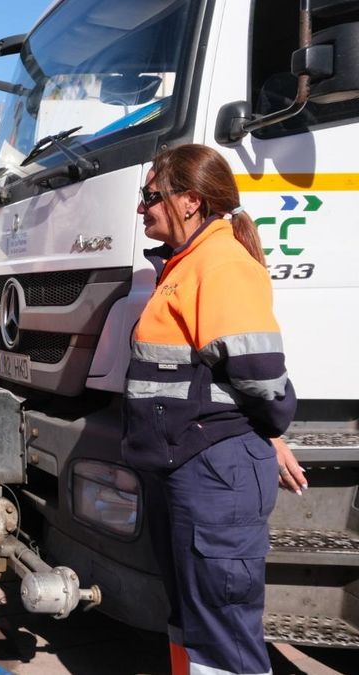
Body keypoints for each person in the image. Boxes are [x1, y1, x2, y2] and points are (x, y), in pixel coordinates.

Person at [125, 144, 299, 675]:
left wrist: (268, 432)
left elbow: (261, 374)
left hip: (213, 474)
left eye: (150, 196)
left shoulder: (220, 263)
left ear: (189, 201)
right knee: (192, 624)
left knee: (223, 637)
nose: (141, 208)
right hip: (186, 468)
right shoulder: (185, 264)